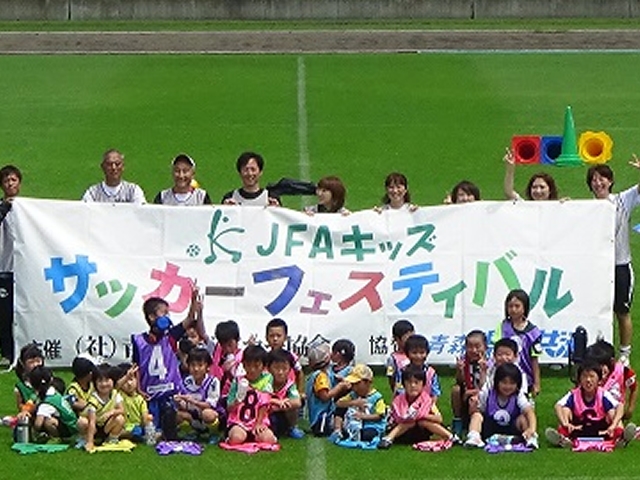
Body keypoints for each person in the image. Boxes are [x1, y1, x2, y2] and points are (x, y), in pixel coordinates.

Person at [587, 160, 640, 365]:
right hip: (597, 267)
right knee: (599, 309)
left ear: (610, 182)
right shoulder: (588, 208)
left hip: (620, 265)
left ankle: (624, 353)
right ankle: (601, 348)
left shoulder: (622, 201)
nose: (598, 183)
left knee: (622, 311)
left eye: (602, 178)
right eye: (594, 179)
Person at [131, 290, 200, 440]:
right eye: (164, 313)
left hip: (169, 394)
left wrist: (193, 301)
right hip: (150, 395)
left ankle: (185, 423)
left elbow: (189, 320)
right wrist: (138, 389)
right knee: (150, 429)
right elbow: (136, 367)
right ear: (152, 317)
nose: (168, 317)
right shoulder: (138, 341)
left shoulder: (170, 336)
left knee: (170, 415)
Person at [545, 360, 635, 448]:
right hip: (579, 427)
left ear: (599, 380)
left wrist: (613, 425)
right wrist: (565, 423)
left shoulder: (603, 394)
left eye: (592, 376)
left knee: (612, 412)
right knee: (565, 410)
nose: (588, 380)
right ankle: (563, 438)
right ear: (579, 380)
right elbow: (558, 406)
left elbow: (620, 406)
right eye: (584, 376)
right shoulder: (574, 394)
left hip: (601, 427)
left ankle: (620, 438)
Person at [380, 364, 457, 449]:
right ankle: (388, 439)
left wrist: (421, 415)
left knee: (423, 421)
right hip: (403, 433)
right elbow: (396, 418)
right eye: (409, 382)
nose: (413, 386)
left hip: (421, 432)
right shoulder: (398, 400)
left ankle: (451, 437)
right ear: (404, 384)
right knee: (409, 422)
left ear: (423, 385)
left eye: (416, 382)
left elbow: (439, 419)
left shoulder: (427, 400)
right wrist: (410, 417)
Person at [465, 363, 538, 449]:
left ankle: (530, 438)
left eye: (512, 383)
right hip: (490, 427)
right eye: (504, 382)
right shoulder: (487, 392)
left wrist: (532, 429)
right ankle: (474, 437)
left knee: (523, 418)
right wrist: (473, 408)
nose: (507, 386)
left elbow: (529, 411)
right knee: (477, 416)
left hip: (511, 427)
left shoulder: (518, 395)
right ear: (497, 382)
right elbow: (478, 411)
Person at [226, 345, 277, 446]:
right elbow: (229, 408)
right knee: (236, 438)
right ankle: (231, 436)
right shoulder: (237, 381)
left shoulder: (267, 379)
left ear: (263, 367)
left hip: (258, 420)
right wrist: (237, 400)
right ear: (243, 365)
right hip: (239, 422)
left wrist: (258, 423)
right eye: (248, 365)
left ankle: (256, 435)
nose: (252, 370)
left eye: (256, 366)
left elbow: (264, 404)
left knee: (268, 439)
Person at [495, 289, 542, 397]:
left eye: (517, 306)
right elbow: (497, 351)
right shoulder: (502, 327)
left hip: (526, 377)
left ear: (524, 308)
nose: (513, 309)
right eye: (510, 306)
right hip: (504, 375)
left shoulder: (533, 332)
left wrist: (537, 383)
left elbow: (534, 360)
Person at [265, 318, 304, 438]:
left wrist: (300, 391)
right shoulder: (265, 357)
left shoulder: (291, 356)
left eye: (278, 335)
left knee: (292, 403)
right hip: (269, 397)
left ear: (285, 337)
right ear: (266, 338)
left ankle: (292, 427)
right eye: (272, 336)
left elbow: (300, 372)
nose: (275, 339)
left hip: (286, 395)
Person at [29, 365, 88, 443]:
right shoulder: (53, 391)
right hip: (72, 422)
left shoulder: (46, 403)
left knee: (48, 421)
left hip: (69, 428)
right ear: (51, 380)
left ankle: (56, 438)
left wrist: (31, 424)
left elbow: (38, 424)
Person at [332, 364, 386, 445]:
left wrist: (363, 416)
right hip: (353, 423)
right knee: (340, 408)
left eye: (357, 384)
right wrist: (354, 403)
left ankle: (354, 435)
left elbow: (380, 415)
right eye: (352, 384)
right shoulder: (353, 395)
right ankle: (338, 430)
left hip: (370, 425)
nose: (354, 387)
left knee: (369, 434)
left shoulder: (376, 397)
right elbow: (338, 403)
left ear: (367, 382)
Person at [584, 339, 637, 421]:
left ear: (611, 362)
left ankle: (623, 432)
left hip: (614, 411)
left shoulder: (623, 372)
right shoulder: (588, 373)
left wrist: (630, 408)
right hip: (591, 410)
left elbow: (634, 388)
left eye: (600, 366)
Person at [305, 342, 351, 437]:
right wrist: (340, 386)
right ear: (327, 358)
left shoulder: (325, 373)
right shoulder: (320, 376)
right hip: (321, 418)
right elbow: (325, 396)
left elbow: (333, 378)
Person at [0, 164, 21, 364]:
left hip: (27, 269)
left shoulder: (29, 208)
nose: (10, 183)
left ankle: (25, 351)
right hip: (5, 269)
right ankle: (7, 352)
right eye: (6, 180)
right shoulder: (1, 208)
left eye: (13, 180)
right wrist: (5, 206)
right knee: (5, 313)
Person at [174, 346, 221, 437]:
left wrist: (192, 401)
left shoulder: (213, 382)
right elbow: (182, 402)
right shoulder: (186, 381)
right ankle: (194, 431)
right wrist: (179, 401)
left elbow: (209, 405)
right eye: (193, 365)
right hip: (193, 414)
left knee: (207, 414)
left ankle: (212, 434)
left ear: (207, 366)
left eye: (200, 365)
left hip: (207, 413)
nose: (196, 369)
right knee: (176, 414)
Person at [451, 330, 488, 436]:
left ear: (485, 347)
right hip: (467, 396)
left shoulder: (490, 363)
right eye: (470, 347)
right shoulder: (464, 362)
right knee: (456, 390)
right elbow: (460, 382)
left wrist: (483, 371)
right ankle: (458, 421)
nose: (474, 350)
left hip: (483, 396)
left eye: (477, 346)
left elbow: (486, 387)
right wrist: (460, 370)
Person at [83, 364, 125, 450]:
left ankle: (112, 439)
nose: (104, 384)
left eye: (107, 380)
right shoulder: (93, 399)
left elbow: (122, 410)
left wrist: (112, 412)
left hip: (107, 426)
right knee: (82, 422)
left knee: (120, 418)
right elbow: (92, 422)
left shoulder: (114, 394)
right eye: (100, 381)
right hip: (94, 427)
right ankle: (87, 439)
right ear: (95, 383)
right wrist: (90, 443)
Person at [82, 148, 146, 203]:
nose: (114, 168)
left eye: (117, 164)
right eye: (109, 164)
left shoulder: (133, 190)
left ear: (123, 167)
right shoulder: (92, 193)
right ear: (103, 167)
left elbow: (141, 213)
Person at [267, 349, 303, 440]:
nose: (280, 372)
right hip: (266, 413)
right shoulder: (264, 383)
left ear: (290, 370)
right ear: (268, 368)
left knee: (291, 404)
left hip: (281, 412)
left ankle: (292, 428)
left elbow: (297, 402)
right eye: (276, 368)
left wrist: (278, 406)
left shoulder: (290, 385)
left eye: (284, 368)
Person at [114, 363, 152, 442]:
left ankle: (147, 436)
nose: (129, 383)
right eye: (125, 381)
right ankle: (120, 435)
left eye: (131, 379)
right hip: (122, 426)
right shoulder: (119, 394)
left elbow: (144, 415)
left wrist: (146, 421)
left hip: (136, 427)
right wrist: (127, 376)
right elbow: (116, 386)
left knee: (147, 421)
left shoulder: (140, 399)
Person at [210, 319, 245, 403]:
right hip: (215, 396)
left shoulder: (243, 357)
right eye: (223, 345)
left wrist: (230, 374)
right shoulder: (217, 352)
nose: (227, 348)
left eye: (230, 344)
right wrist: (222, 370)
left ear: (238, 339)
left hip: (234, 399)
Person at [404, 334, 441, 402]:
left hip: (426, 405)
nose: (418, 356)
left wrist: (429, 407)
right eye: (414, 353)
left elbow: (435, 393)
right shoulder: (403, 371)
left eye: (422, 352)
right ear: (407, 353)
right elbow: (399, 391)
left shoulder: (431, 373)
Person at [13, 343, 44, 421]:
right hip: (31, 415)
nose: (35, 365)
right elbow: (20, 406)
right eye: (31, 362)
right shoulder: (21, 386)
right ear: (23, 364)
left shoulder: (48, 379)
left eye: (38, 361)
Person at [385, 319, 414, 397]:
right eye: (407, 337)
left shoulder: (415, 355)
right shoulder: (393, 358)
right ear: (397, 339)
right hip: (401, 393)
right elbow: (391, 378)